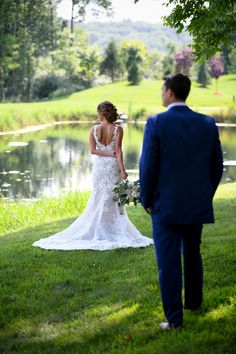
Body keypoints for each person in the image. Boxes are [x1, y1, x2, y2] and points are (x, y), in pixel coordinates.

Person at [139, 73, 223, 329]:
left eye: (163, 89)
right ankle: (194, 304)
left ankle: (175, 320)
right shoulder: (207, 123)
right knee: (192, 253)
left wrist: (147, 199)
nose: (161, 94)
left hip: (165, 205)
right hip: (195, 202)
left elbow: (148, 166)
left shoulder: (156, 123)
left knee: (169, 261)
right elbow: (216, 167)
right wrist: (205, 194)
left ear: (170, 93)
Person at [33, 101, 153, 251]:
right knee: (113, 196)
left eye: (98, 113)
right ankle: (111, 228)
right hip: (112, 166)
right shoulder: (118, 129)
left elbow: (93, 151)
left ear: (101, 114)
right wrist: (122, 170)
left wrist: (109, 154)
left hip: (100, 167)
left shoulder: (93, 129)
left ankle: (99, 226)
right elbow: (118, 151)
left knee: (99, 195)